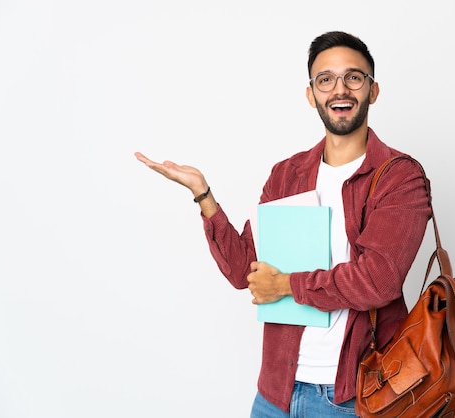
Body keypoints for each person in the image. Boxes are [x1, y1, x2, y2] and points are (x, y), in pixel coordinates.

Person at [135, 31, 431, 417]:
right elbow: (245, 271)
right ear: (311, 95)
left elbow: (378, 281)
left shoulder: (399, 177)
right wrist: (204, 194)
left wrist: (286, 285)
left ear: (373, 90)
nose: (340, 89)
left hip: (352, 396)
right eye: (325, 79)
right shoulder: (287, 174)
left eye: (354, 77)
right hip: (275, 392)